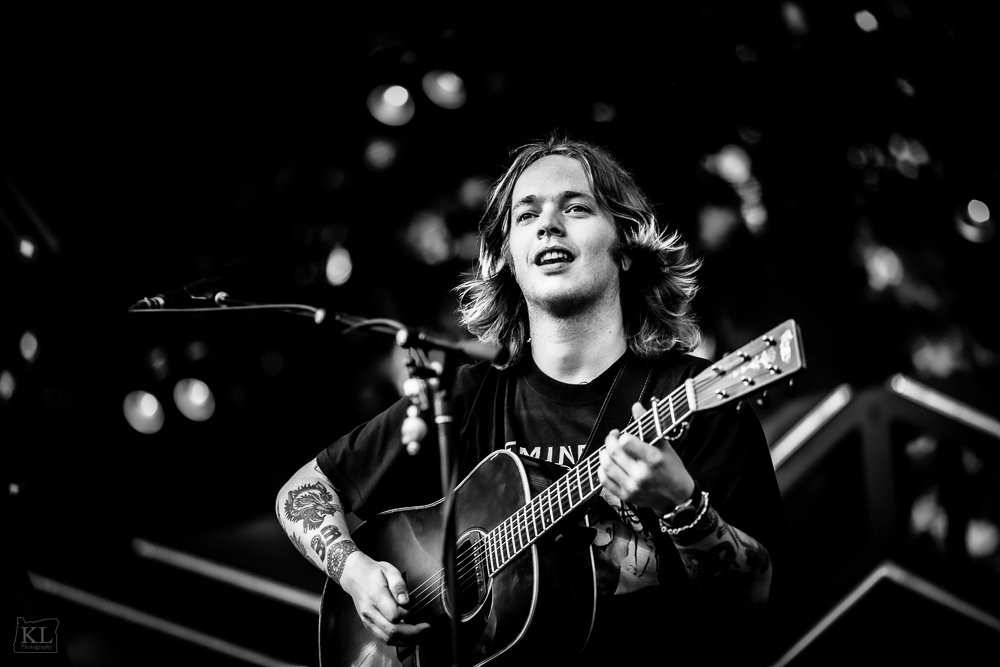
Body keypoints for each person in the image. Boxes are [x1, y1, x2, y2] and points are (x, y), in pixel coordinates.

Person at [276, 135, 786, 665]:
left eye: (577, 207)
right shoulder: (463, 398)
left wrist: (683, 506)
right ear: (509, 261)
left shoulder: (695, 399)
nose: (548, 224)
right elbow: (302, 490)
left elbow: (756, 599)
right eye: (527, 215)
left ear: (628, 248)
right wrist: (356, 571)